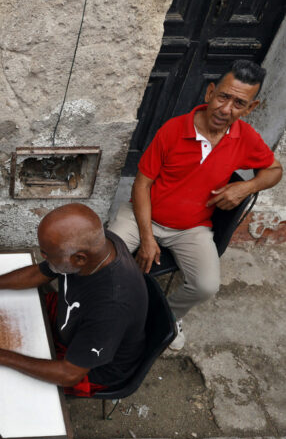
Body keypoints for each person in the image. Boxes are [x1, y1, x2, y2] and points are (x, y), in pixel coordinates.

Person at [109, 60, 282, 350]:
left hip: (192, 228)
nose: (226, 109)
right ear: (210, 93)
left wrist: (246, 187)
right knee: (107, 262)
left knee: (206, 286)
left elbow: (275, 170)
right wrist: (148, 238)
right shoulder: (174, 130)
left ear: (250, 109)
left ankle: (164, 317)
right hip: (144, 214)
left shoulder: (246, 139)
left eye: (239, 103)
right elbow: (142, 184)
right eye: (224, 97)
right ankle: (104, 314)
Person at [0, 204, 148, 397]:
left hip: (89, 368)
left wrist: (1, 356)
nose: (43, 257)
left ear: (80, 258)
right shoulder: (97, 244)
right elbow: (42, 271)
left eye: (47, 254)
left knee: (6, 389)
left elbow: (69, 374)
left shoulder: (111, 308)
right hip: (70, 323)